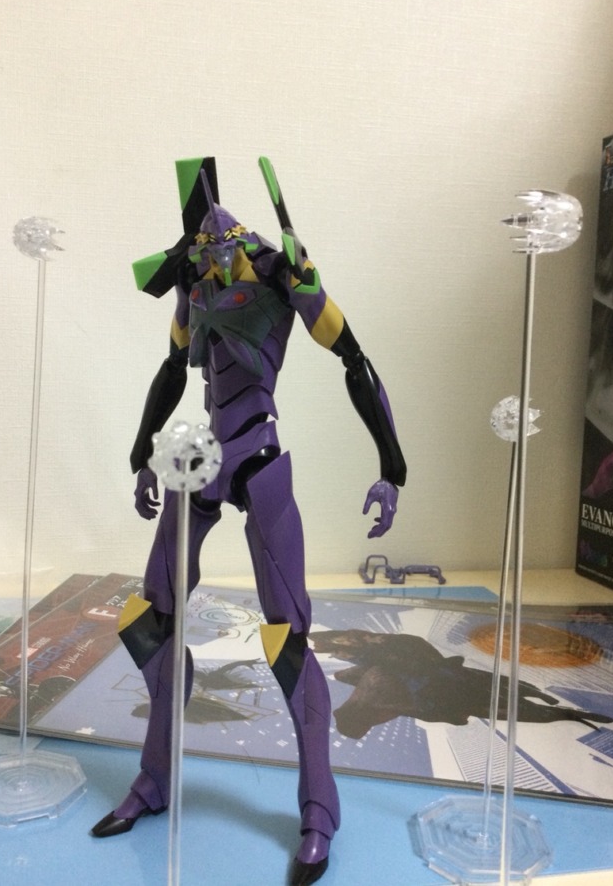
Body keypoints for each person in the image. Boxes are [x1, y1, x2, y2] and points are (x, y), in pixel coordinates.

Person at [91, 157, 406, 885]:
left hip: (259, 455)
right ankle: (154, 777)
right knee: (147, 620)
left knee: (285, 640)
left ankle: (318, 810)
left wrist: (392, 467)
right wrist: (141, 455)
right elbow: (172, 370)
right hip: (198, 459)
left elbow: (353, 358)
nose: (212, 247)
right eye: (202, 240)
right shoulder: (196, 286)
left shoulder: (280, 275)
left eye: (221, 238)